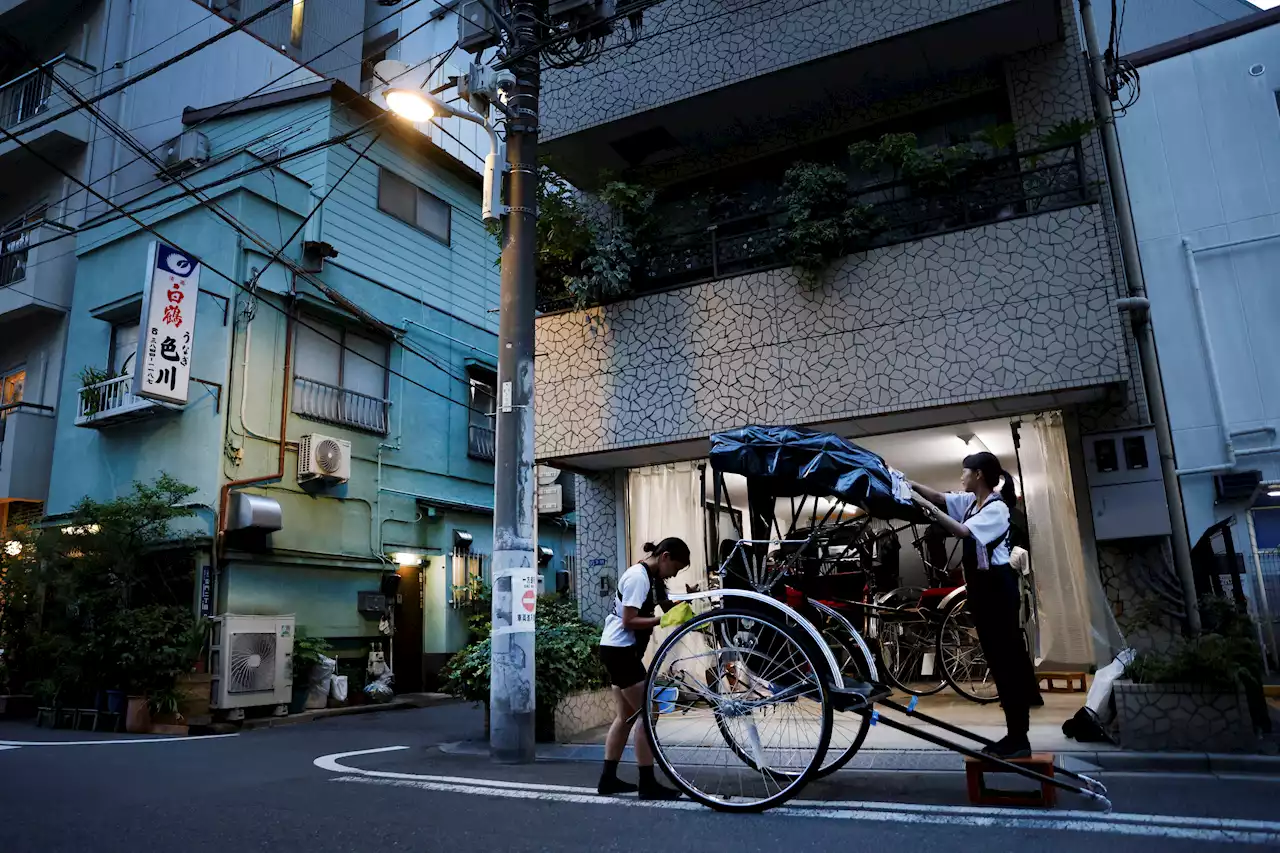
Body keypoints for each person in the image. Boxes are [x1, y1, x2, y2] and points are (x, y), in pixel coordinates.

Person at [910, 451, 1038, 759]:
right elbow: (941, 497)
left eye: (964, 472)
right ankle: (1015, 736)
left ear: (978, 475)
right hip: (982, 590)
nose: (961, 477)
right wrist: (907, 483)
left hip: (998, 589)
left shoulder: (997, 510)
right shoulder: (971, 503)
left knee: (1006, 662)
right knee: (996, 659)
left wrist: (925, 507)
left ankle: (1019, 736)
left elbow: (962, 531)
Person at [596, 537, 693, 798]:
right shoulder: (638, 577)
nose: (675, 573)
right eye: (676, 567)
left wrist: (684, 604)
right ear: (665, 557)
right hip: (620, 651)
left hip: (619, 650)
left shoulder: (652, 578)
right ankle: (647, 783)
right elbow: (629, 621)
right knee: (649, 713)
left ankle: (607, 780)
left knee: (626, 716)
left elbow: (665, 604)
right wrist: (662, 621)